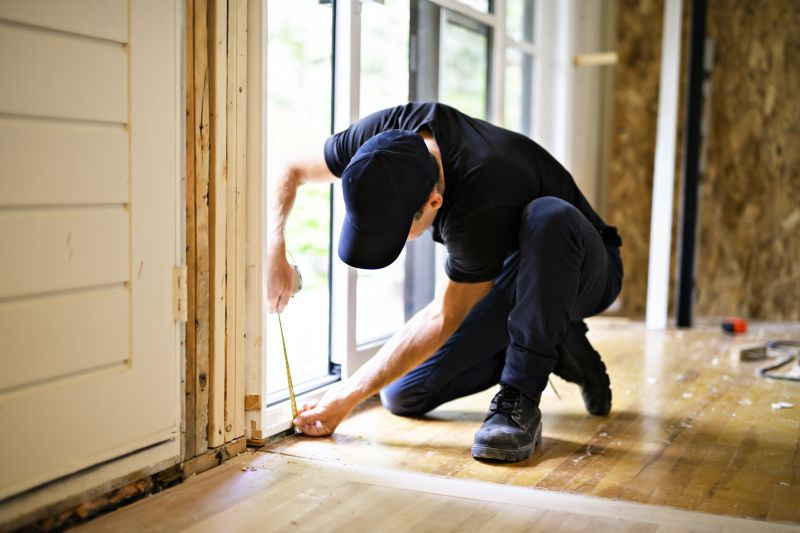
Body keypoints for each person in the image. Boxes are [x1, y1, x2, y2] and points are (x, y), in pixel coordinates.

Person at [267, 102, 623, 462]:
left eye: (398, 233)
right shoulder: (381, 145)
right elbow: (291, 166)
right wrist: (273, 247)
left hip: (583, 267)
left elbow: (443, 315)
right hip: (512, 271)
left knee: (548, 216)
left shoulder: (480, 196)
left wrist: (347, 394)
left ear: (435, 201)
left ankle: (520, 399)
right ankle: (554, 339)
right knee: (403, 393)